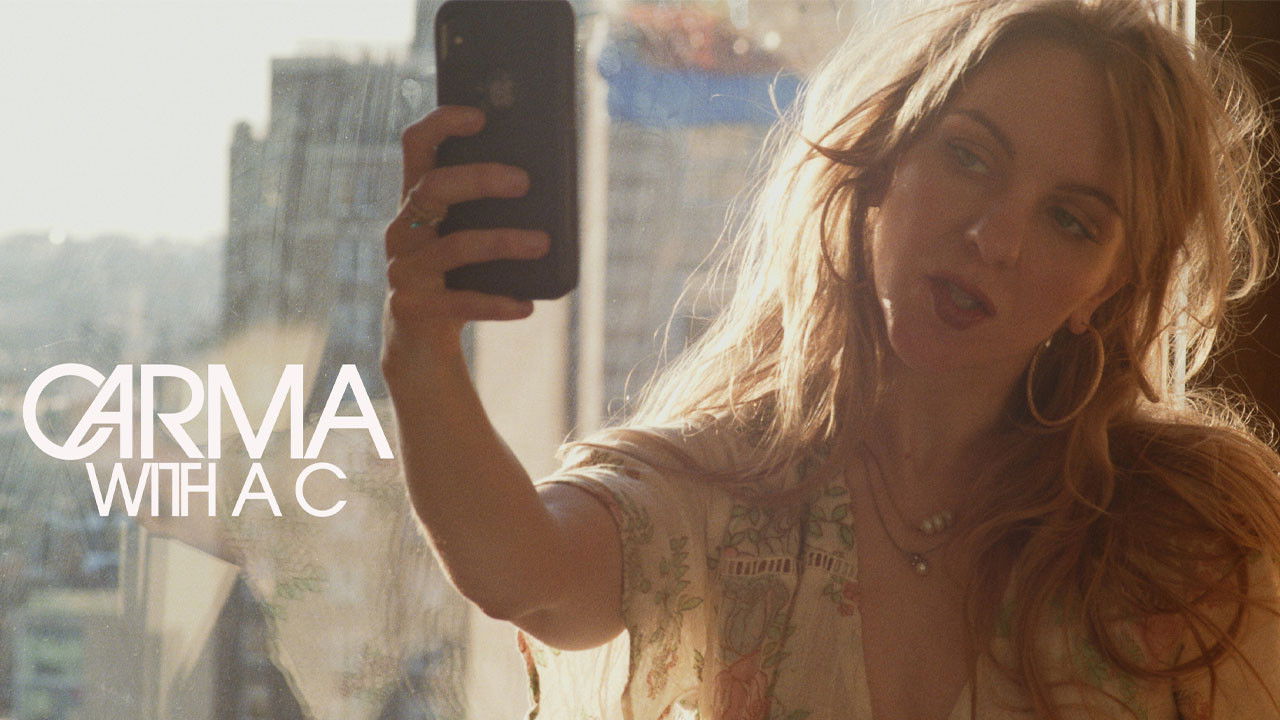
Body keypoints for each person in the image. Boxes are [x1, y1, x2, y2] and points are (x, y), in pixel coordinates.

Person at [381, 0, 1280, 717]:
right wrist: (421, 350)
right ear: (884, 161)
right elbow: (522, 570)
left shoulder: (1192, 545)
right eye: (970, 156)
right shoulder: (726, 491)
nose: (995, 237)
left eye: (1070, 219)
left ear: (1107, 290)